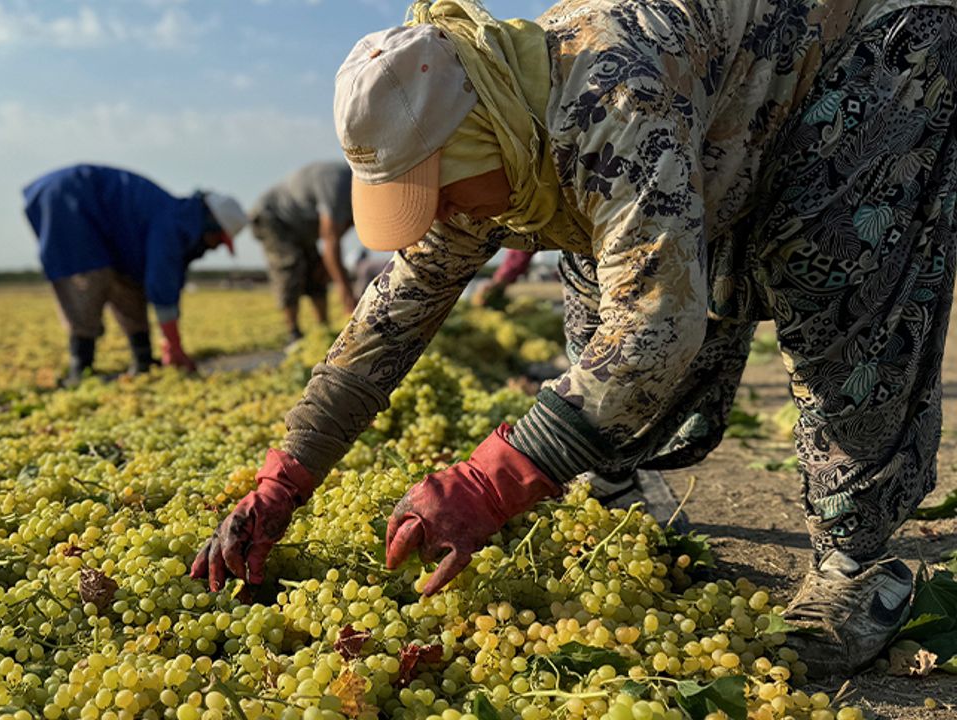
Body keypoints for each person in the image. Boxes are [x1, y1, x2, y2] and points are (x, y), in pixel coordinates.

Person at [193, 0, 957, 678]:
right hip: (727, 104)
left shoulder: (613, 97)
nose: (443, 214)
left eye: (444, 189)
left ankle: (859, 559)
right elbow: (388, 322)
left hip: (861, 56)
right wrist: (282, 482)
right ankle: (621, 468)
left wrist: (491, 480)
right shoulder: (492, 129)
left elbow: (657, 322)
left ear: (483, 141)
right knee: (607, 330)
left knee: (833, 273)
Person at [22, 164, 247, 385]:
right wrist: (174, 346)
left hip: (87, 208)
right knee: (86, 278)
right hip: (70, 199)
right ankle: (80, 368)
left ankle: (143, 360)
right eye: (218, 240)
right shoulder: (173, 225)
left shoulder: (176, 218)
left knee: (127, 282)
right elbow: (161, 283)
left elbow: (145, 280)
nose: (214, 248)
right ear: (210, 224)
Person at [249, 161, 357, 342]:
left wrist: (325, 262)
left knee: (317, 271)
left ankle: (323, 330)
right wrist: (347, 296)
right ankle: (293, 334)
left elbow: (341, 230)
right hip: (273, 217)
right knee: (289, 266)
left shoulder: (360, 196)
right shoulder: (338, 185)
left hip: (303, 224)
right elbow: (331, 239)